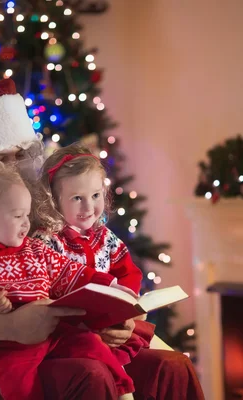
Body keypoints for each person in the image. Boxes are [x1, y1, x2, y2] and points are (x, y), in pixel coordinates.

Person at [0, 78, 205, 400]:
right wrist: (6, 327)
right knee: (88, 376)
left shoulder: (30, 213)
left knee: (170, 368)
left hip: (57, 346)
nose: (16, 169)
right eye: (0, 160)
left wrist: (116, 313)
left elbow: (65, 275)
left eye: (20, 155)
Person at [0, 162, 135, 400]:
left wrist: (112, 287)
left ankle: (124, 390)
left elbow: (71, 272)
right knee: (18, 383)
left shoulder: (35, 249)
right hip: (8, 345)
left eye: (27, 215)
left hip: (53, 331)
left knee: (91, 344)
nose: (26, 223)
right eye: (18, 216)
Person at [32, 143, 153, 367]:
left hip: (111, 327)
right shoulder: (46, 242)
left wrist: (125, 308)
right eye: (77, 198)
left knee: (171, 364)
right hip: (70, 335)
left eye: (96, 195)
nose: (89, 207)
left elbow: (129, 273)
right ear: (54, 201)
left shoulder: (105, 237)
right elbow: (43, 293)